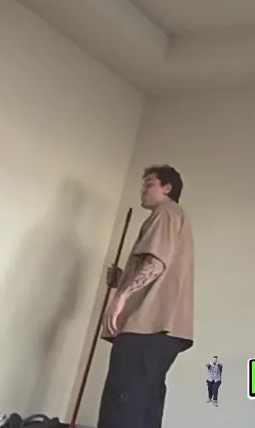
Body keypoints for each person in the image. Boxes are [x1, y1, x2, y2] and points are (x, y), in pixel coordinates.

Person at [97, 165, 194, 428]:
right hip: (164, 333)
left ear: (167, 188)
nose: (142, 190)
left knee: (123, 406)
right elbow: (161, 269)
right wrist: (122, 280)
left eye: (149, 184)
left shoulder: (166, 212)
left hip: (147, 328)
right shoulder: (177, 218)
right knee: (145, 405)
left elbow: (156, 263)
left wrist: (121, 297)